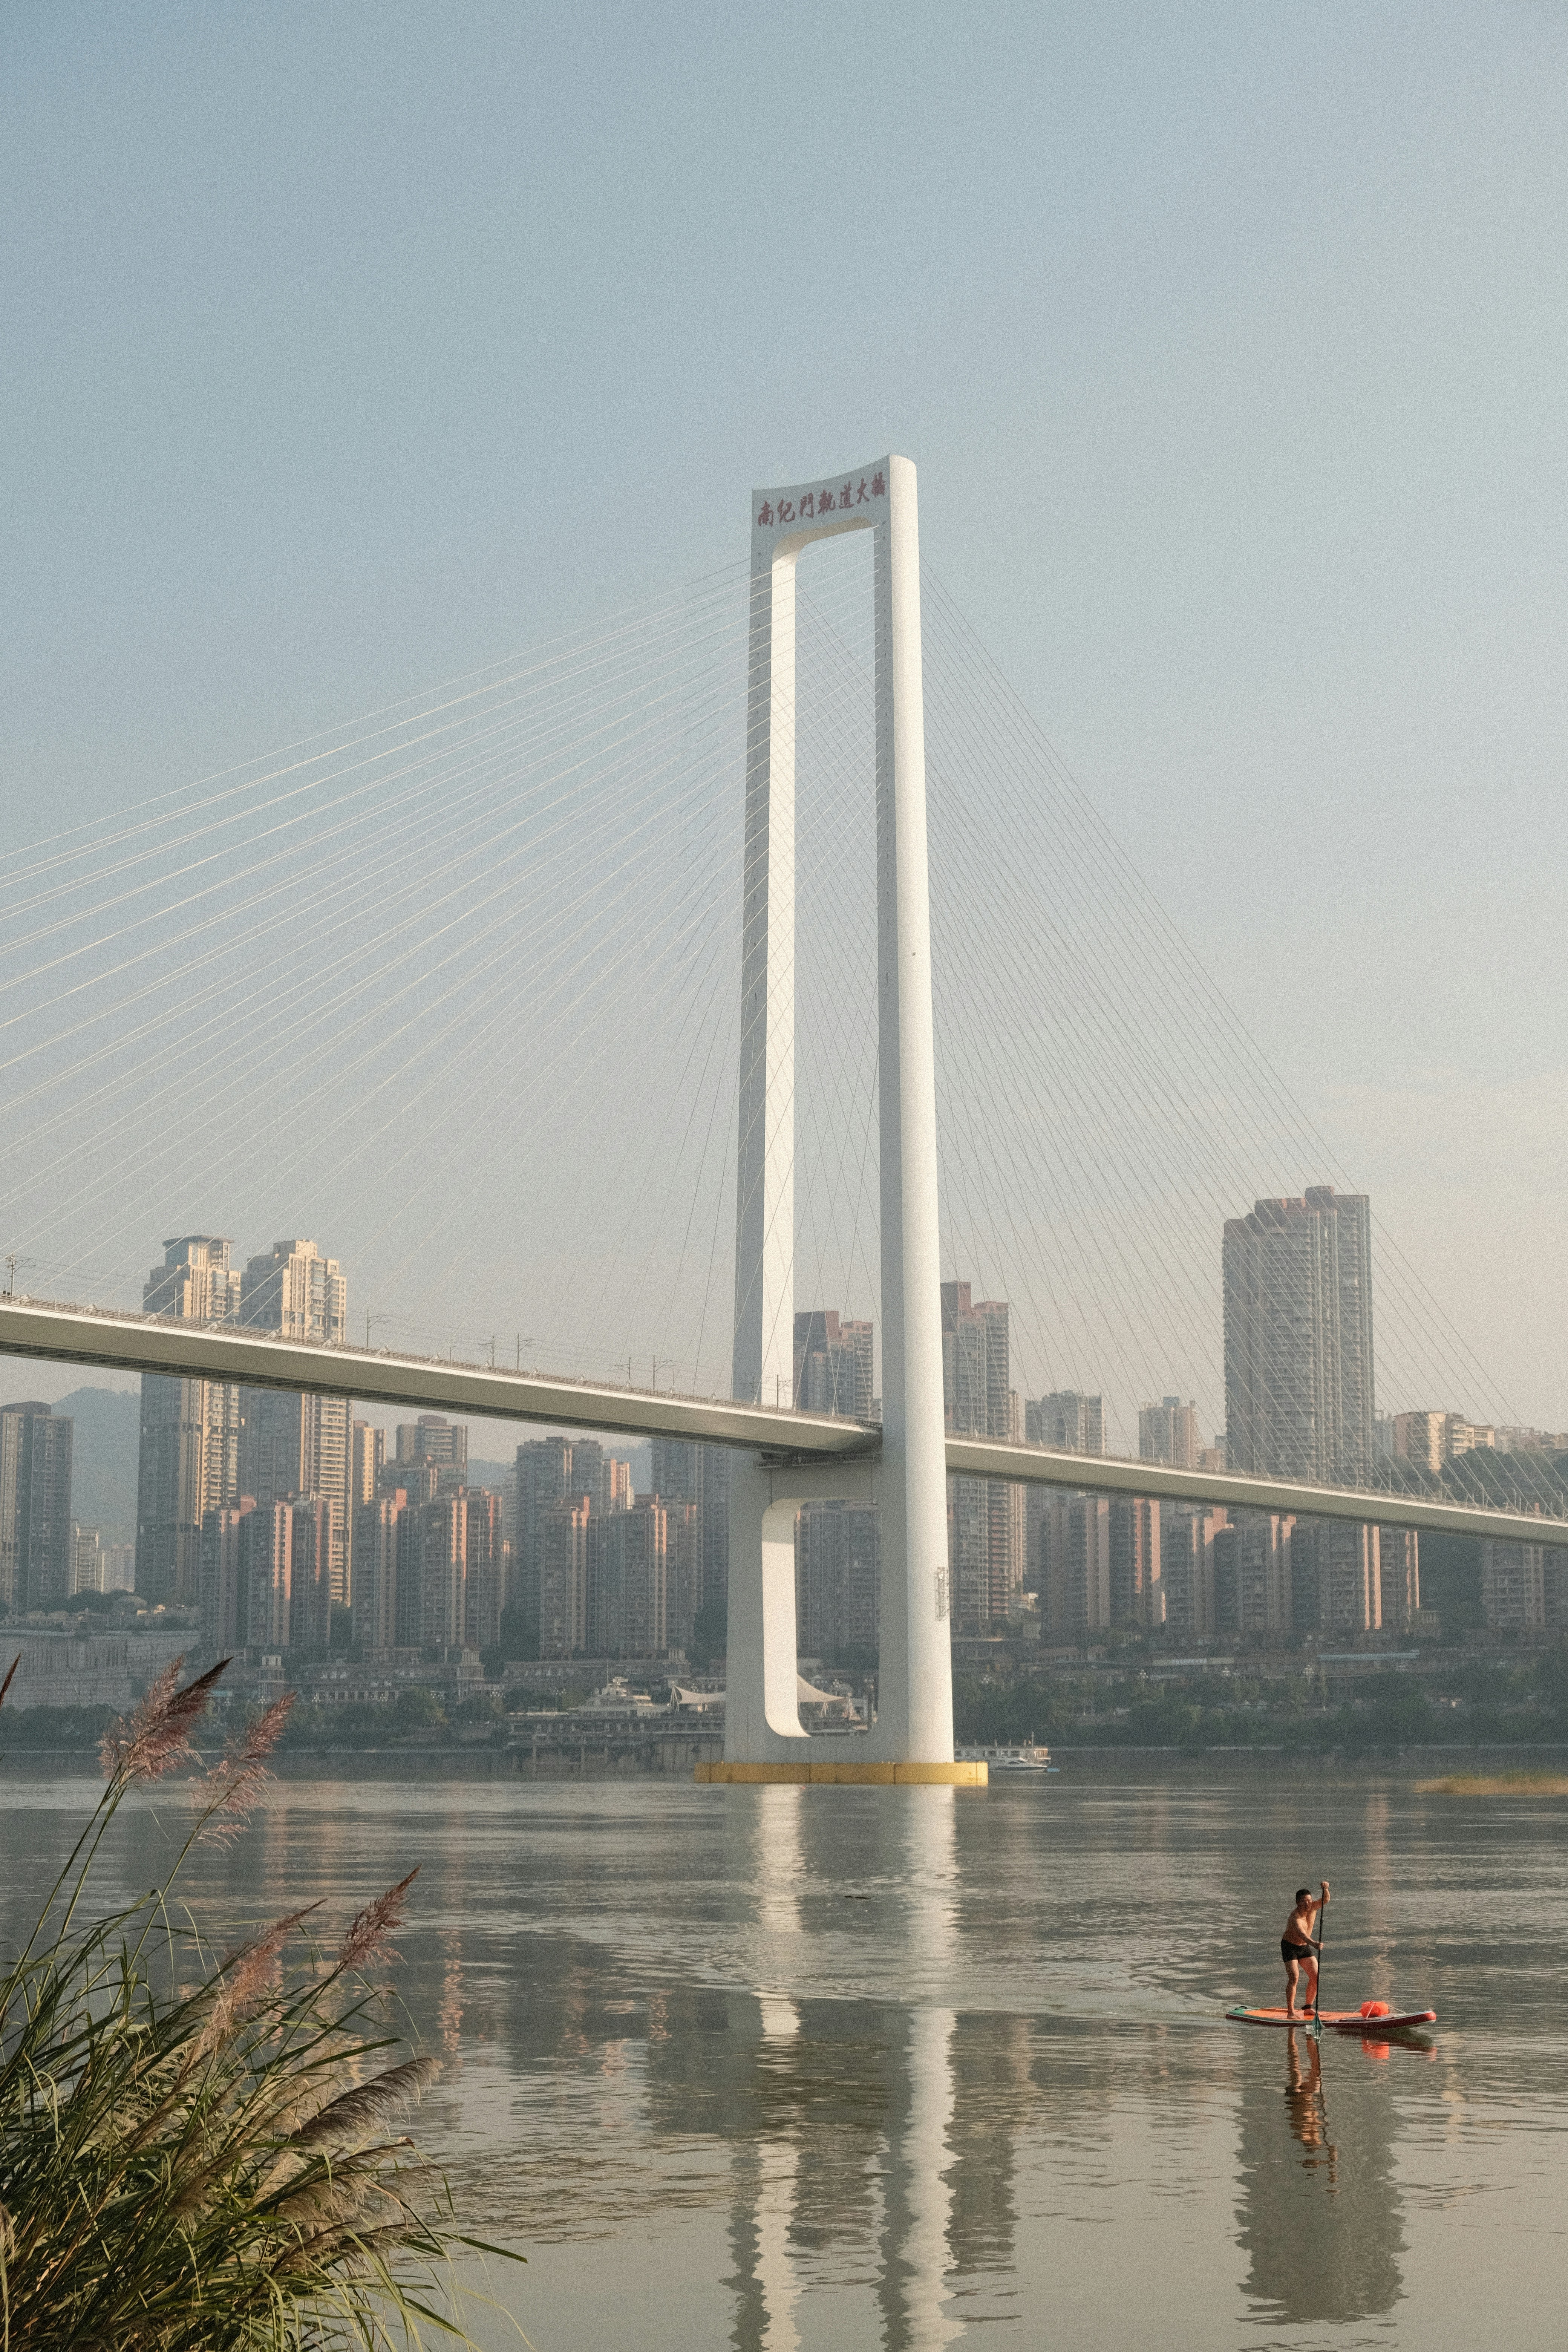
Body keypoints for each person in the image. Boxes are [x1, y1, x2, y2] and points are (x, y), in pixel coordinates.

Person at [1281, 1880, 1329, 2017]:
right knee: (1294, 1978)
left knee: (1316, 1976)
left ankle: (1308, 2007)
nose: (1307, 1904)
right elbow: (1302, 1934)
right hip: (1290, 1947)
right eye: (1304, 1902)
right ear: (1298, 1903)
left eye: (1309, 1901)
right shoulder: (1295, 1917)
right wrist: (1314, 1943)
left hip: (1304, 1948)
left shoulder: (1314, 1907)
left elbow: (1326, 1899)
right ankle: (1291, 2012)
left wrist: (1326, 1888)